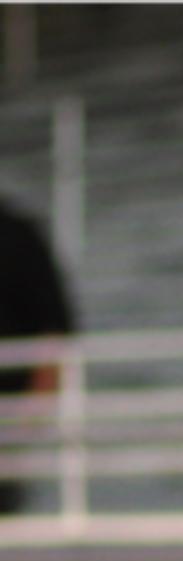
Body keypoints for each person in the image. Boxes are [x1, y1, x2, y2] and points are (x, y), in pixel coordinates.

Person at [0, 195, 76, 516]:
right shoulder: (21, 232)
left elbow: (55, 331)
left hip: (11, 409)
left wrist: (33, 415)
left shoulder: (18, 235)